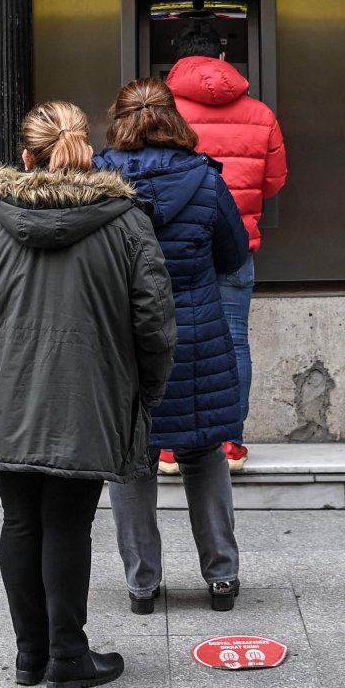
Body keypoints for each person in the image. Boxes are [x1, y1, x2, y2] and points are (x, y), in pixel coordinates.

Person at [0, 101, 176, 688]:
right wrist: (144, 389)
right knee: (68, 524)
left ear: (26, 155)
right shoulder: (125, 221)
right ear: (85, 152)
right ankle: (68, 657)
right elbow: (155, 322)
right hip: (89, 393)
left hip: (5, 393)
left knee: (19, 521)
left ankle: (29, 656)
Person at [96, 78, 251, 614]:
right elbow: (233, 257)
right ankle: (222, 578)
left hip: (124, 338)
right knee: (203, 448)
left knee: (131, 456)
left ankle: (142, 585)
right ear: (173, 118)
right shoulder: (206, 181)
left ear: (118, 121)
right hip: (194, 334)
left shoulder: (97, 181)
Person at [166, 23, 287, 472]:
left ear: (178, 61)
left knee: (173, 339)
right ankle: (230, 444)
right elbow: (274, 181)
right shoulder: (261, 113)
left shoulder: (161, 112)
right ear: (221, 58)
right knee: (234, 341)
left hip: (176, 244)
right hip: (236, 245)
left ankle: (171, 447)